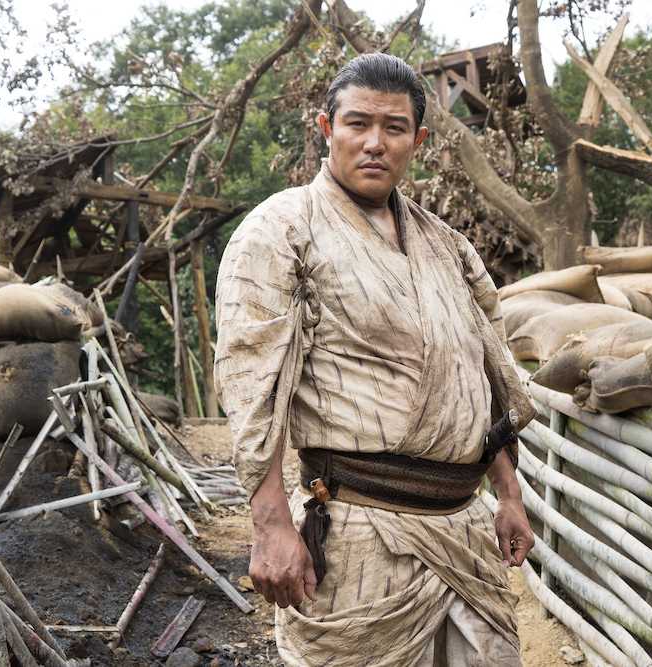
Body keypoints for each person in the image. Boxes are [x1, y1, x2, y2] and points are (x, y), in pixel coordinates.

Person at [215, 52, 535, 666]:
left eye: (393, 128)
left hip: (463, 532)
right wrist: (270, 524)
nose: (374, 143)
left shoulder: (449, 245)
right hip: (362, 532)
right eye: (357, 124)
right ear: (325, 128)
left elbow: (485, 372)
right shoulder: (280, 230)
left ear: (417, 139)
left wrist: (508, 491)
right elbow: (251, 386)